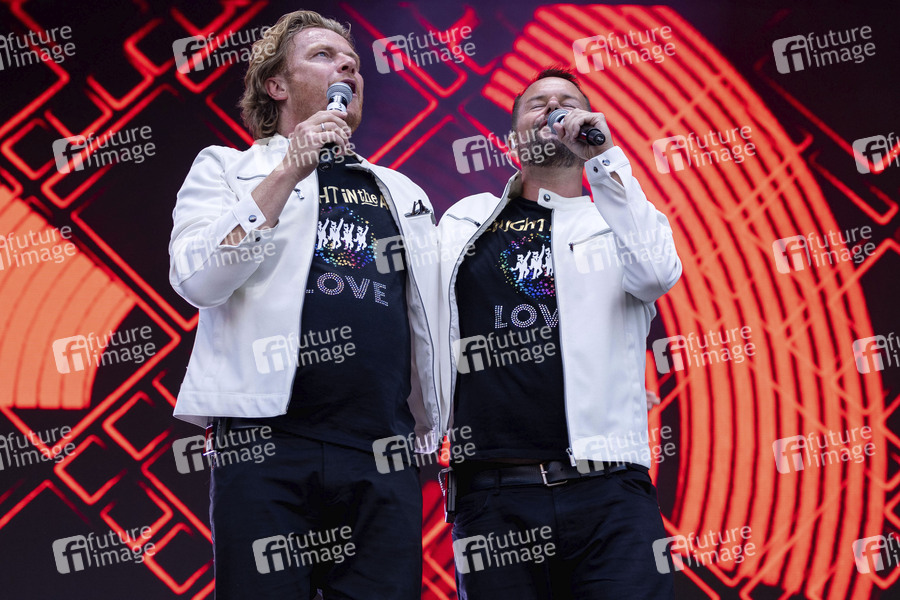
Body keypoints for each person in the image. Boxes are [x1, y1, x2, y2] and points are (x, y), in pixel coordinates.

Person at [168, 10, 444, 599]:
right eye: (323, 56)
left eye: (353, 63)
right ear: (276, 84)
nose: (348, 67)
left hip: (383, 449)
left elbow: (435, 317)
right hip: (266, 445)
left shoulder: (401, 191)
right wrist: (291, 166)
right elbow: (199, 279)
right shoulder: (227, 168)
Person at [437, 68, 682, 598]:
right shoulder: (465, 221)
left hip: (610, 492)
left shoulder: (615, 222)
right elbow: (422, 323)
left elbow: (657, 272)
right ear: (511, 142)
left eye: (567, 102)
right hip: (493, 495)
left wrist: (603, 157)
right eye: (537, 103)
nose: (553, 108)